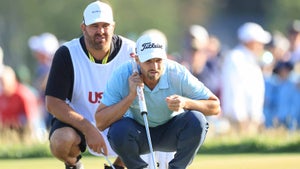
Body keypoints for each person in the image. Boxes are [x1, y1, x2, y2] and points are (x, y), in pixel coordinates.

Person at [95, 32, 221, 168]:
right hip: (138, 134)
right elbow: (101, 122)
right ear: (137, 60)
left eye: (158, 60)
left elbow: (215, 106)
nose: (154, 67)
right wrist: (131, 96)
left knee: (197, 120)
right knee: (118, 131)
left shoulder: (177, 73)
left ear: (165, 58)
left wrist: (186, 102)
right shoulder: (122, 75)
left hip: (170, 132)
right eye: (148, 61)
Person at [45, 1, 135, 169]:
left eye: (105, 25)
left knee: (147, 122)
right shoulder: (66, 54)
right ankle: (74, 164)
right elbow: (52, 103)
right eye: (94, 26)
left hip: (119, 121)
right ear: (83, 27)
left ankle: (118, 166)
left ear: (113, 26)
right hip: (79, 122)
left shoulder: (132, 52)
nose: (100, 31)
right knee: (59, 141)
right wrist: (88, 128)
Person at [221, 22, 271, 134]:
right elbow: (235, 90)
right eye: (259, 42)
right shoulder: (235, 58)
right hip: (240, 121)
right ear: (250, 42)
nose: (261, 46)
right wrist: (240, 118)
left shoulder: (251, 59)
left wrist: (256, 117)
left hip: (251, 120)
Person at [28, 32, 60, 129]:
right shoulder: (41, 67)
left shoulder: (53, 66)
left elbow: (42, 86)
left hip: (52, 107)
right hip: (45, 106)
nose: (36, 54)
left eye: (39, 51)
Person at [0, 66, 40, 140]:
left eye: (3, 81)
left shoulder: (23, 94)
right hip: (6, 131)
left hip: (22, 131)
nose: (2, 85)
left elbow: (32, 119)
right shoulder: (2, 96)